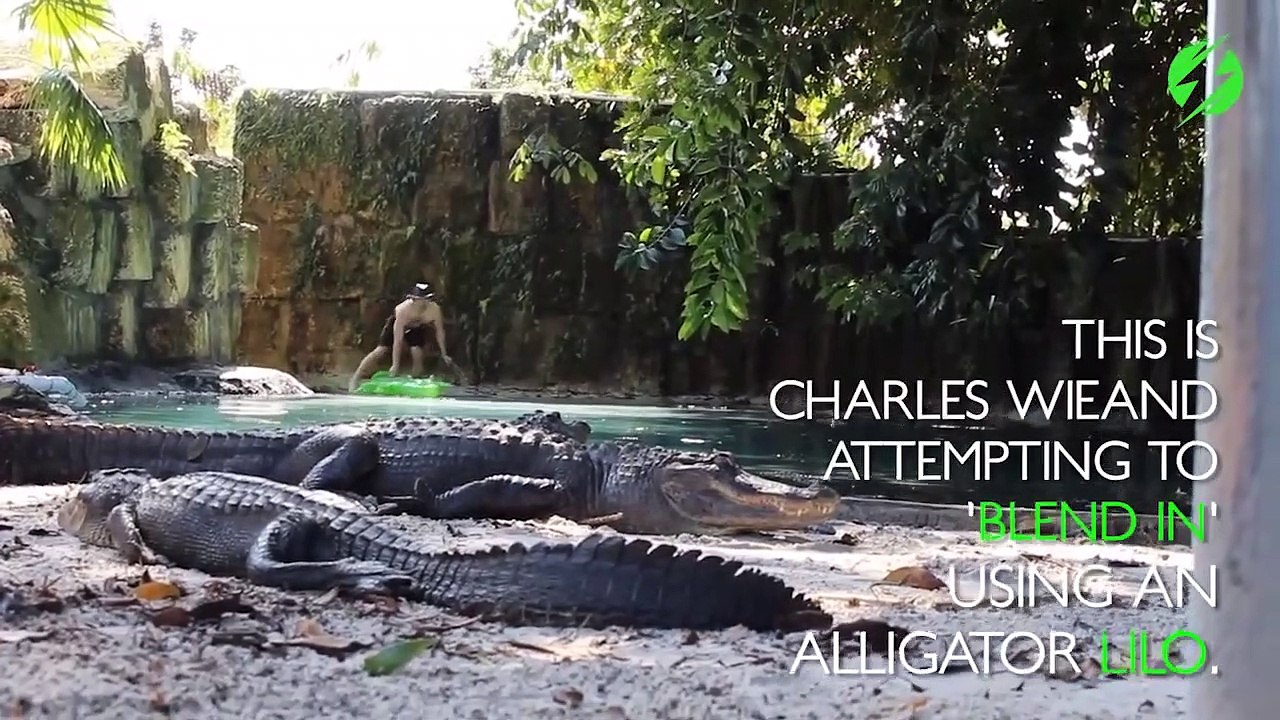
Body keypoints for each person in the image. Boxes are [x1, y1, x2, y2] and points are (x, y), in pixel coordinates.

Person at [348, 282, 453, 392]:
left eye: (425, 299)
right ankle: (355, 378)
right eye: (419, 299)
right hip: (398, 325)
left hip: (417, 328)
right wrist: (395, 365)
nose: (422, 303)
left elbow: (440, 332)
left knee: (417, 352)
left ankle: (415, 380)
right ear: (412, 299)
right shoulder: (402, 310)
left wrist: (444, 353)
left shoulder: (434, 310)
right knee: (381, 350)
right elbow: (397, 340)